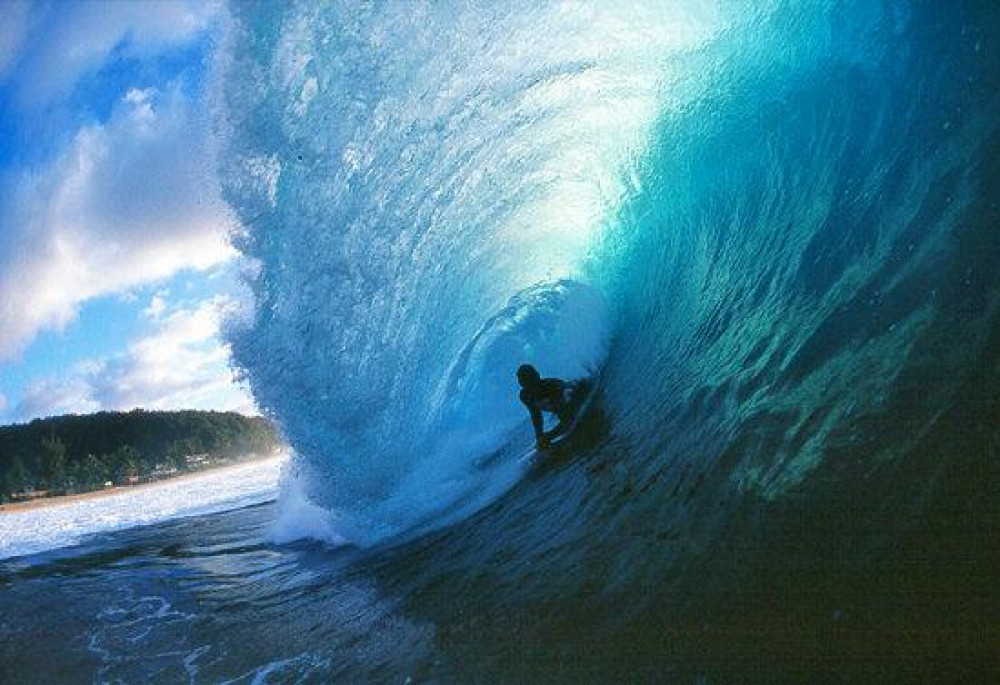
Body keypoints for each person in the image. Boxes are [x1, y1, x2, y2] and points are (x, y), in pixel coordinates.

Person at [517, 363, 576, 450]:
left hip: (574, 395)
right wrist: (539, 436)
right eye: (526, 382)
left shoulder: (551, 386)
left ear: (537, 376)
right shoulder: (525, 396)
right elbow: (536, 415)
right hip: (563, 409)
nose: (532, 384)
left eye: (532, 379)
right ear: (522, 384)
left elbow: (568, 418)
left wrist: (549, 436)